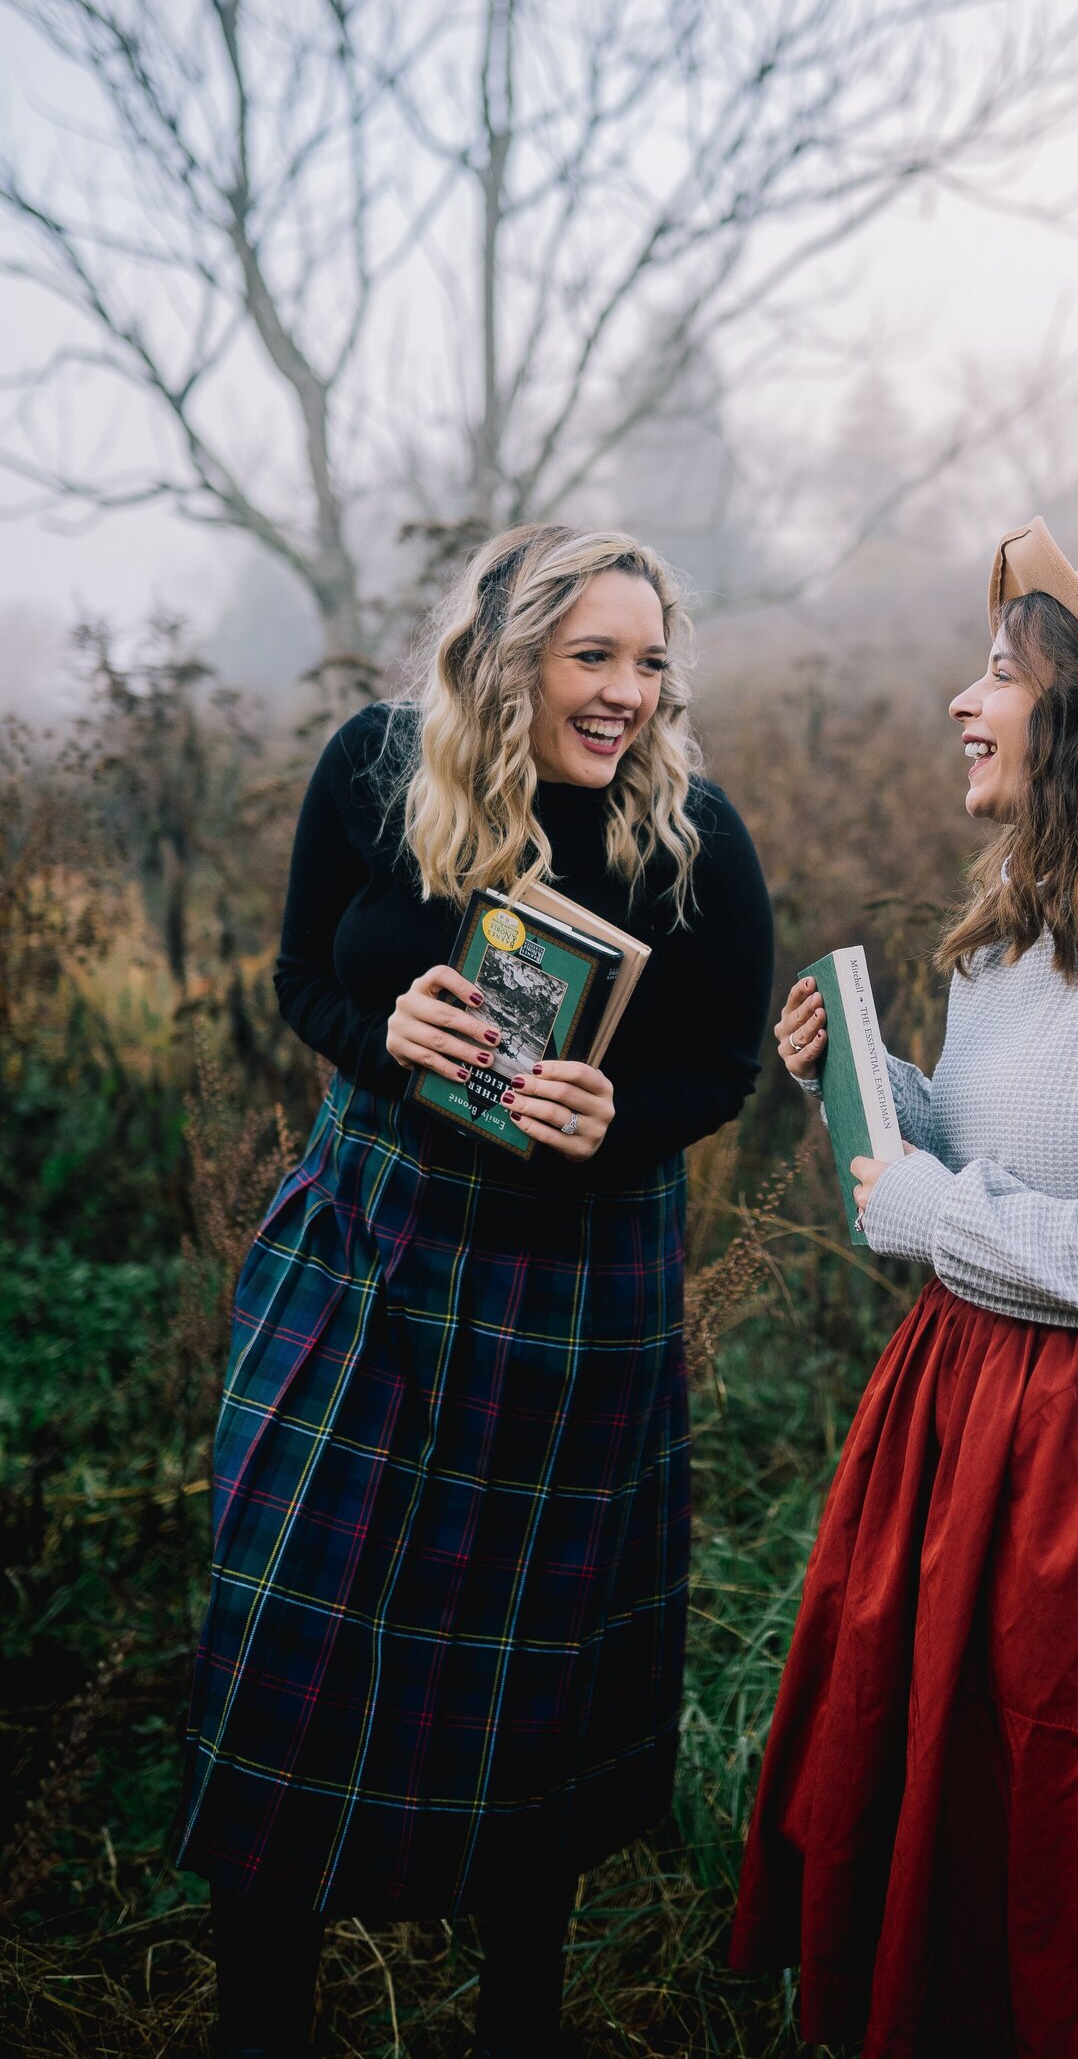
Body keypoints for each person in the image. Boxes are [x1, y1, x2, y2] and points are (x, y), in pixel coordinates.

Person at [178, 525, 774, 2059]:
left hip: (574, 1292)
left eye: (650, 663)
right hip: (366, 1243)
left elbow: (716, 1065)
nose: (628, 695)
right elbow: (303, 973)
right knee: (292, 1625)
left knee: (533, 1673)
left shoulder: (689, 836)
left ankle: (522, 2014)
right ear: (507, 659)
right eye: (595, 657)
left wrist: (615, 1121)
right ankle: (262, 2023)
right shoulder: (376, 773)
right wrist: (387, 1031)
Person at [731, 522, 1078, 2059]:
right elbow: (1020, 1167)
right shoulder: (1010, 941)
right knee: (946, 1791)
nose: (959, 702)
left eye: (1000, 675)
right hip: (969, 1410)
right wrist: (883, 1101)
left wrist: (933, 1209)